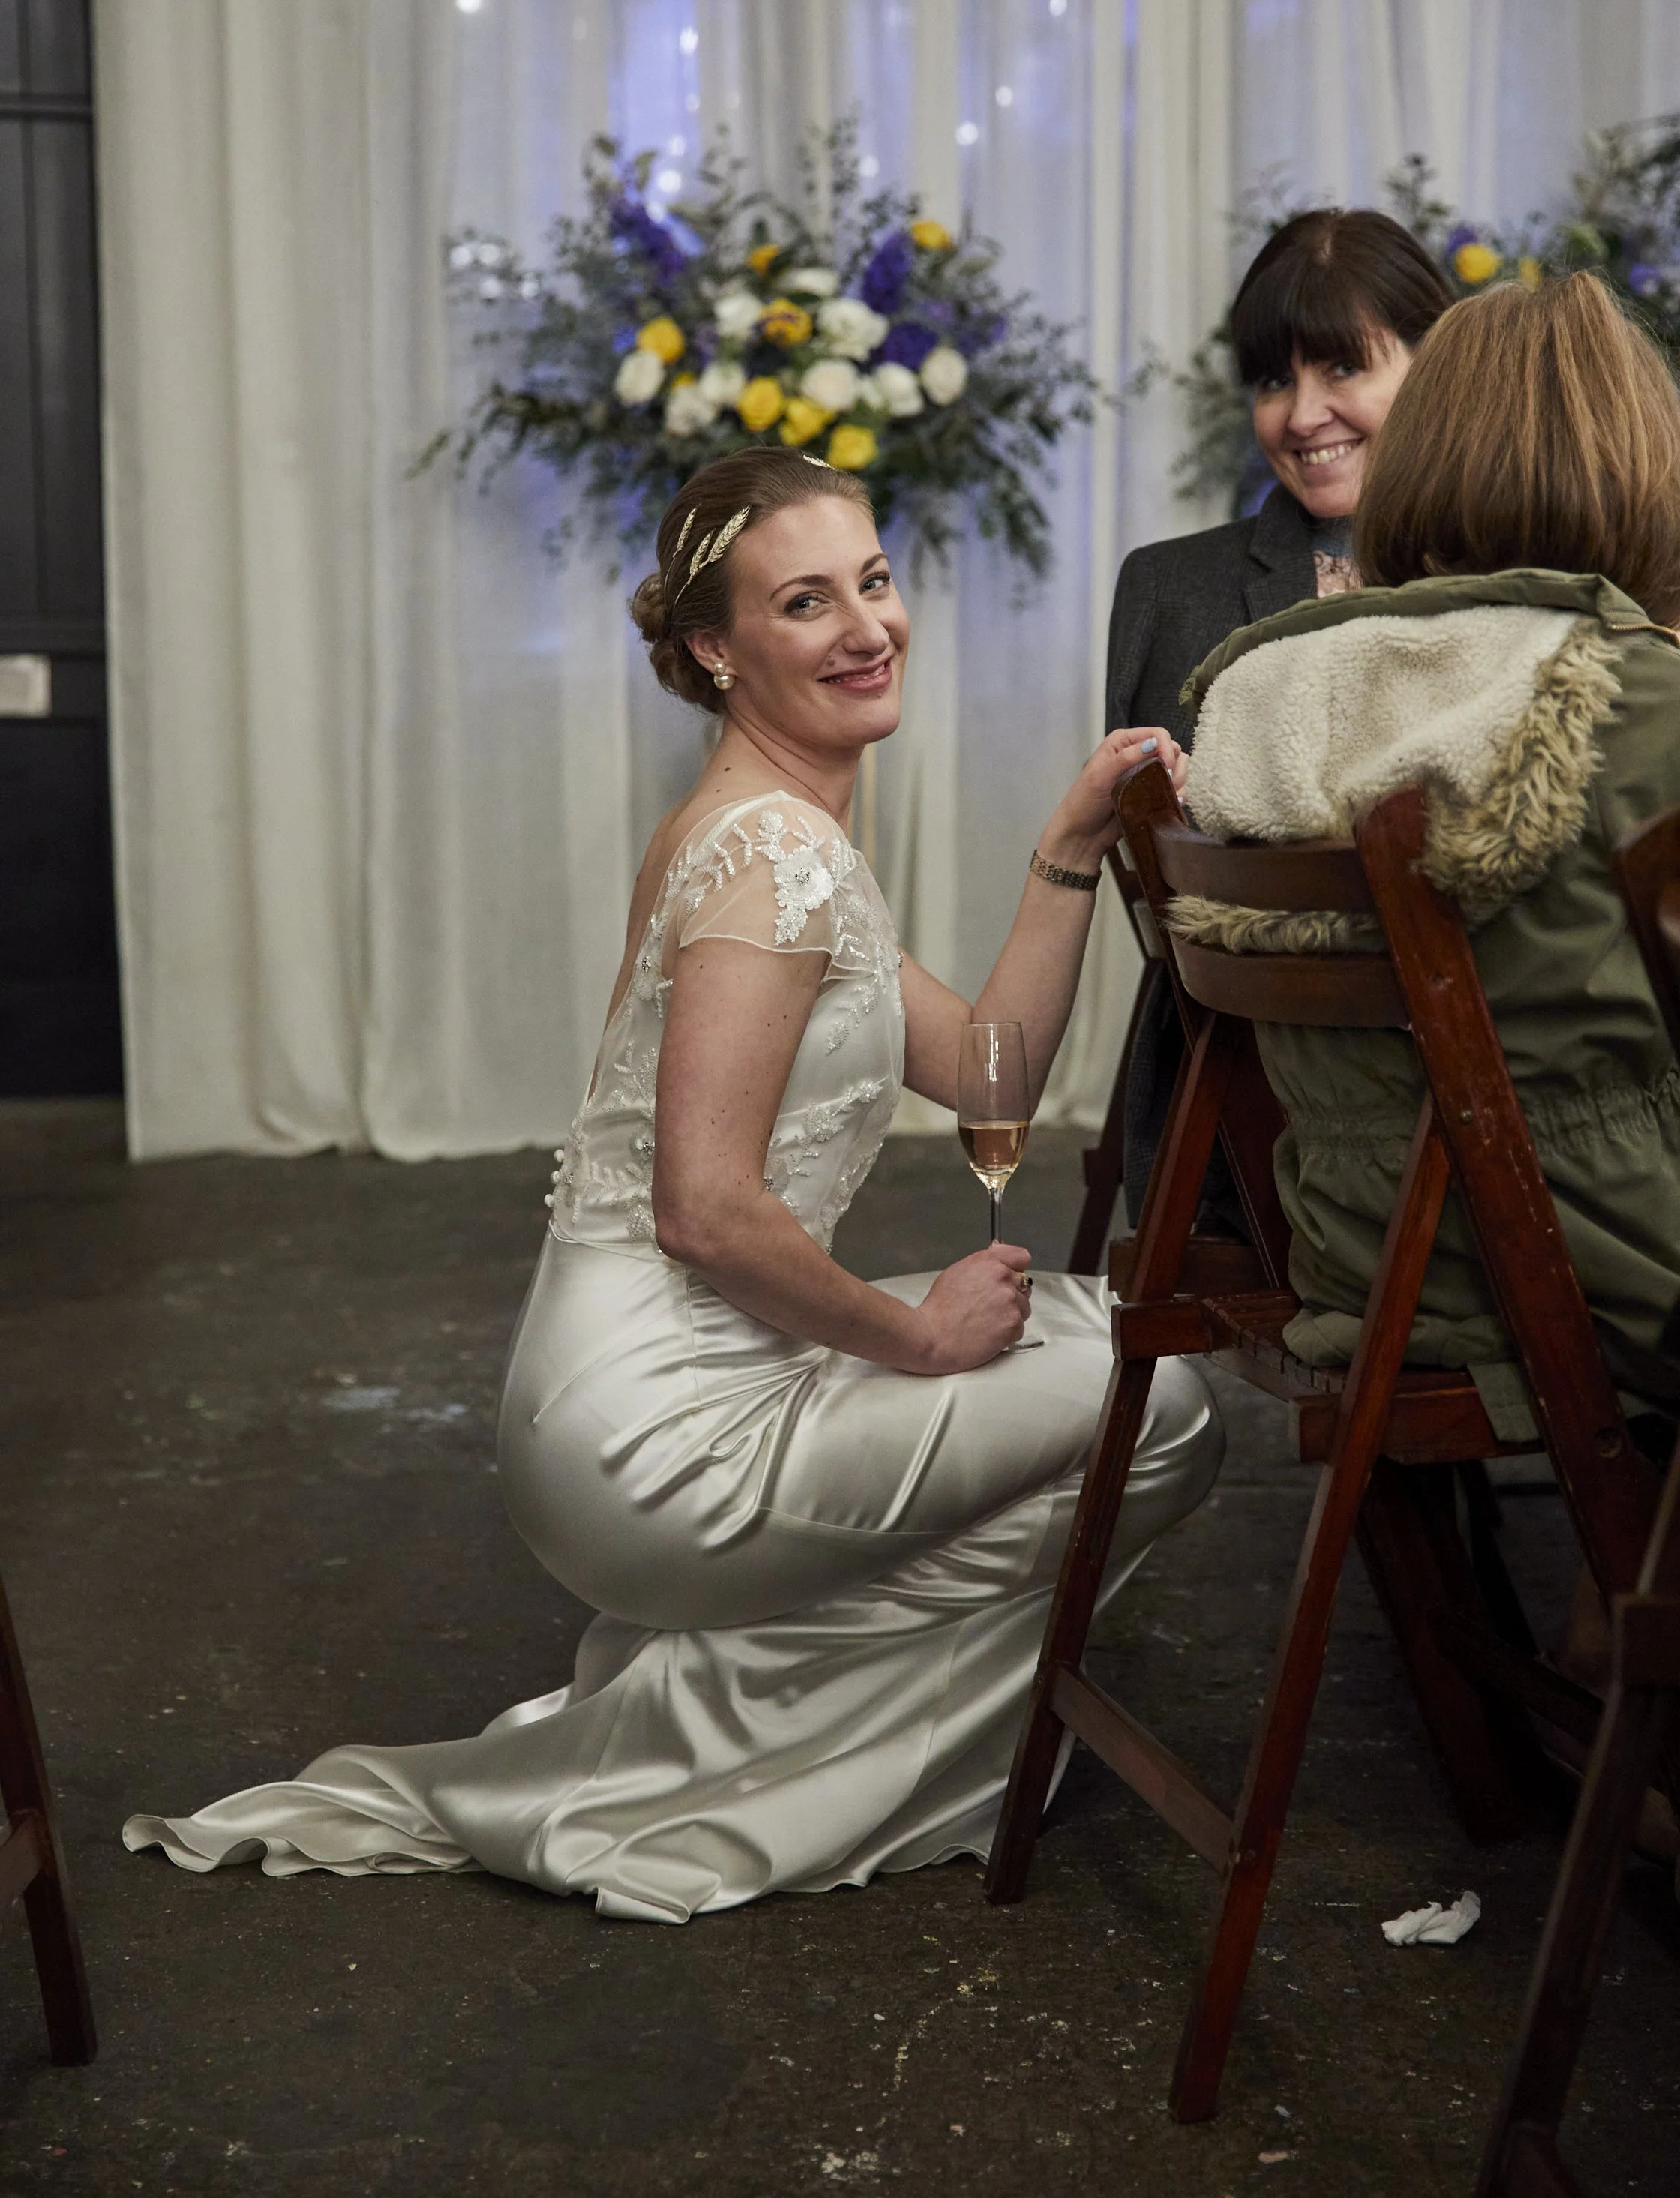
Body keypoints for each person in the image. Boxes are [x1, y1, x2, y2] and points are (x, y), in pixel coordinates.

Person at [125, 445, 1225, 1921]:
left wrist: (1064, 850)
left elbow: (987, 1077)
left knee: (1100, 1330)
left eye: (876, 583)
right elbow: (701, 1211)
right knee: (1167, 1403)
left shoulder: (772, 833)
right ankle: (797, 1739)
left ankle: (745, 1693)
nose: (866, 628)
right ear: (715, 648)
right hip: (659, 1441)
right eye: (805, 603)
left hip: (633, 1395)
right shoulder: (774, 853)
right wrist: (917, 1342)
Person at [1174, 271, 1680, 1451]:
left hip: (1365, 1242)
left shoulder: (1264, 687)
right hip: (1598, 1247)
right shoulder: (1629, 693)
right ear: (1641, 460)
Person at [1105, 210, 1455, 1225]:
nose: (1303, 416)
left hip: (1499, 1091)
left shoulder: (1524, 580)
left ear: (1438, 367)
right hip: (1251, 1114)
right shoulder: (1173, 593)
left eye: (1342, 369)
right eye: (1272, 382)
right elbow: (1170, 909)